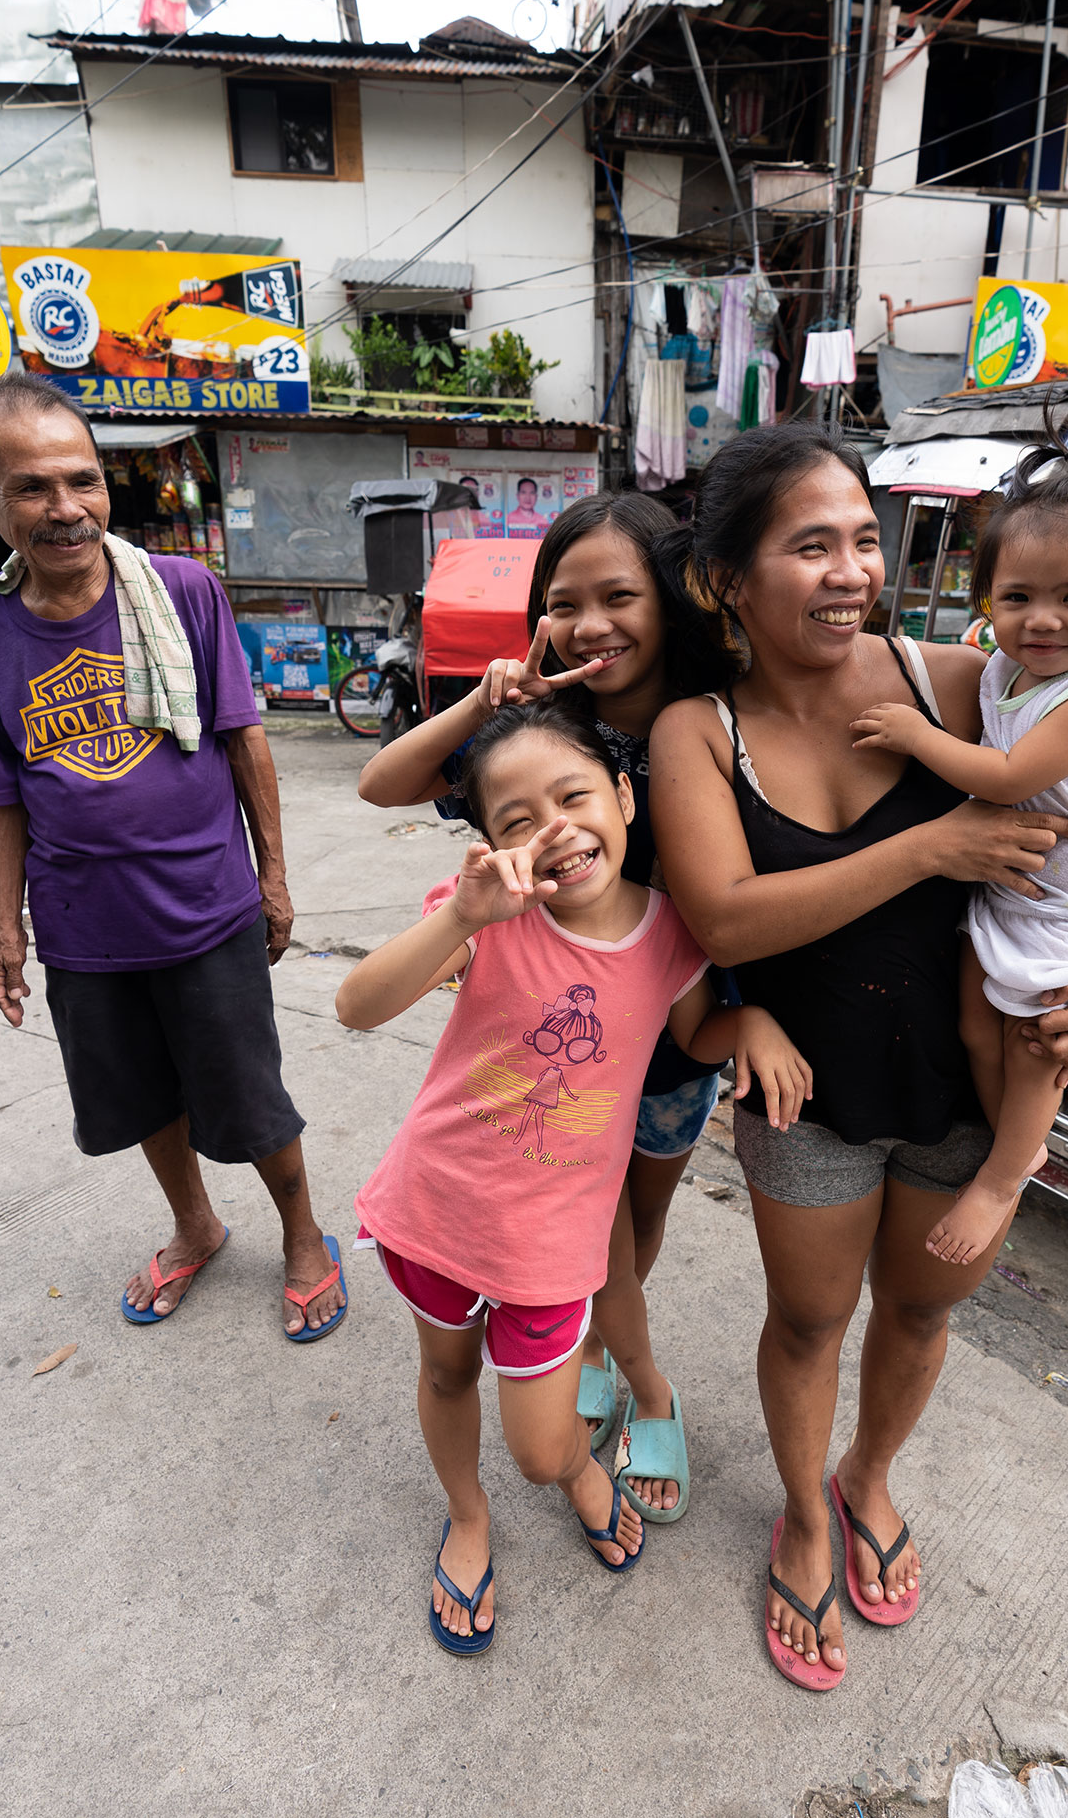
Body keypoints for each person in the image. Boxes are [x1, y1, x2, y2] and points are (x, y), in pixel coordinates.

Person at [650, 426, 1068, 1691]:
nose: (850, 571)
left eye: (864, 541)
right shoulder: (698, 732)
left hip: (966, 1083)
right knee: (810, 1320)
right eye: (811, 545)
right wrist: (929, 850)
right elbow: (727, 919)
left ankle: (870, 1473)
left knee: (921, 1308)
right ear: (728, 578)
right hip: (804, 1092)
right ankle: (806, 1513)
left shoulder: (953, 684)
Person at [339, 697, 810, 1653]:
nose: (553, 829)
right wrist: (463, 916)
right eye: (517, 821)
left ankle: (576, 1475)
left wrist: (747, 1024)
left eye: (573, 795)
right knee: (444, 1371)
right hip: (435, 1210)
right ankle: (467, 1517)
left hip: (557, 1244)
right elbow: (356, 1006)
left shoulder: (672, 932)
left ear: (625, 798)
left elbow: (692, 1035)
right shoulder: (490, 920)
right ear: (491, 846)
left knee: (544, 1446)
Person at [0, 376, 346, 1339]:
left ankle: (302, 1233)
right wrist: (6, 927)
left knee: (249, 1096)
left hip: (206, 908)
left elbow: (247, 740)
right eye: (32, 488)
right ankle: (194, 1224)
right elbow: (1, 787)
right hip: (83, 927)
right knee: (139, 1096)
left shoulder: (183, 593)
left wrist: (274, 880)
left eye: (82, 482)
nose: (66, 509)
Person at [357, 492, 723, 1525]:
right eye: (565, 603)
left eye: (621, 595)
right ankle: (614, 1371)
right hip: (552, 1023)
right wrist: (485, 703)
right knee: (581, 1227)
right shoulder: (547, 728)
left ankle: (617, 1361)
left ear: (672, 598)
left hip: (675, 1022)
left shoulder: (715, 720)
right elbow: (385, 787)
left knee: (630, 1232)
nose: (592, 624)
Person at [850, 438, 1068, 1267]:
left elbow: (1006, 773)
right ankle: (1014, 1146)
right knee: (975, 1024)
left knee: (1035, 1053)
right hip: (1008, 893)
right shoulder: (1005, 670)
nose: (1042, 619)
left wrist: (917, 737)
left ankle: (1002, 1175)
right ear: (985, 595)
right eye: (1018, 595)